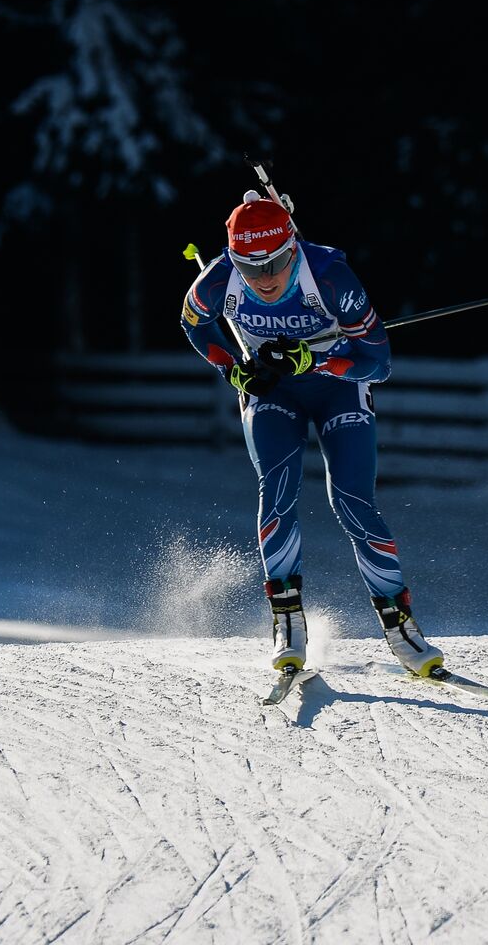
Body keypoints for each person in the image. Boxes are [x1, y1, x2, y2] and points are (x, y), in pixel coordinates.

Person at [179, 193, 444, 677]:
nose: (263, 278)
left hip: (338, 389)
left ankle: (399, 623)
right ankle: (286, 620)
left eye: (276, 263)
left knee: (352, 500)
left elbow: (378, 363)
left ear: (292, 247)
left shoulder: (328, 275)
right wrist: (234, 369)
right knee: (277, 489)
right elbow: (193, 323)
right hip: (273, 392)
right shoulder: (218, 277)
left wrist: (314, 359)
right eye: (249, 267)